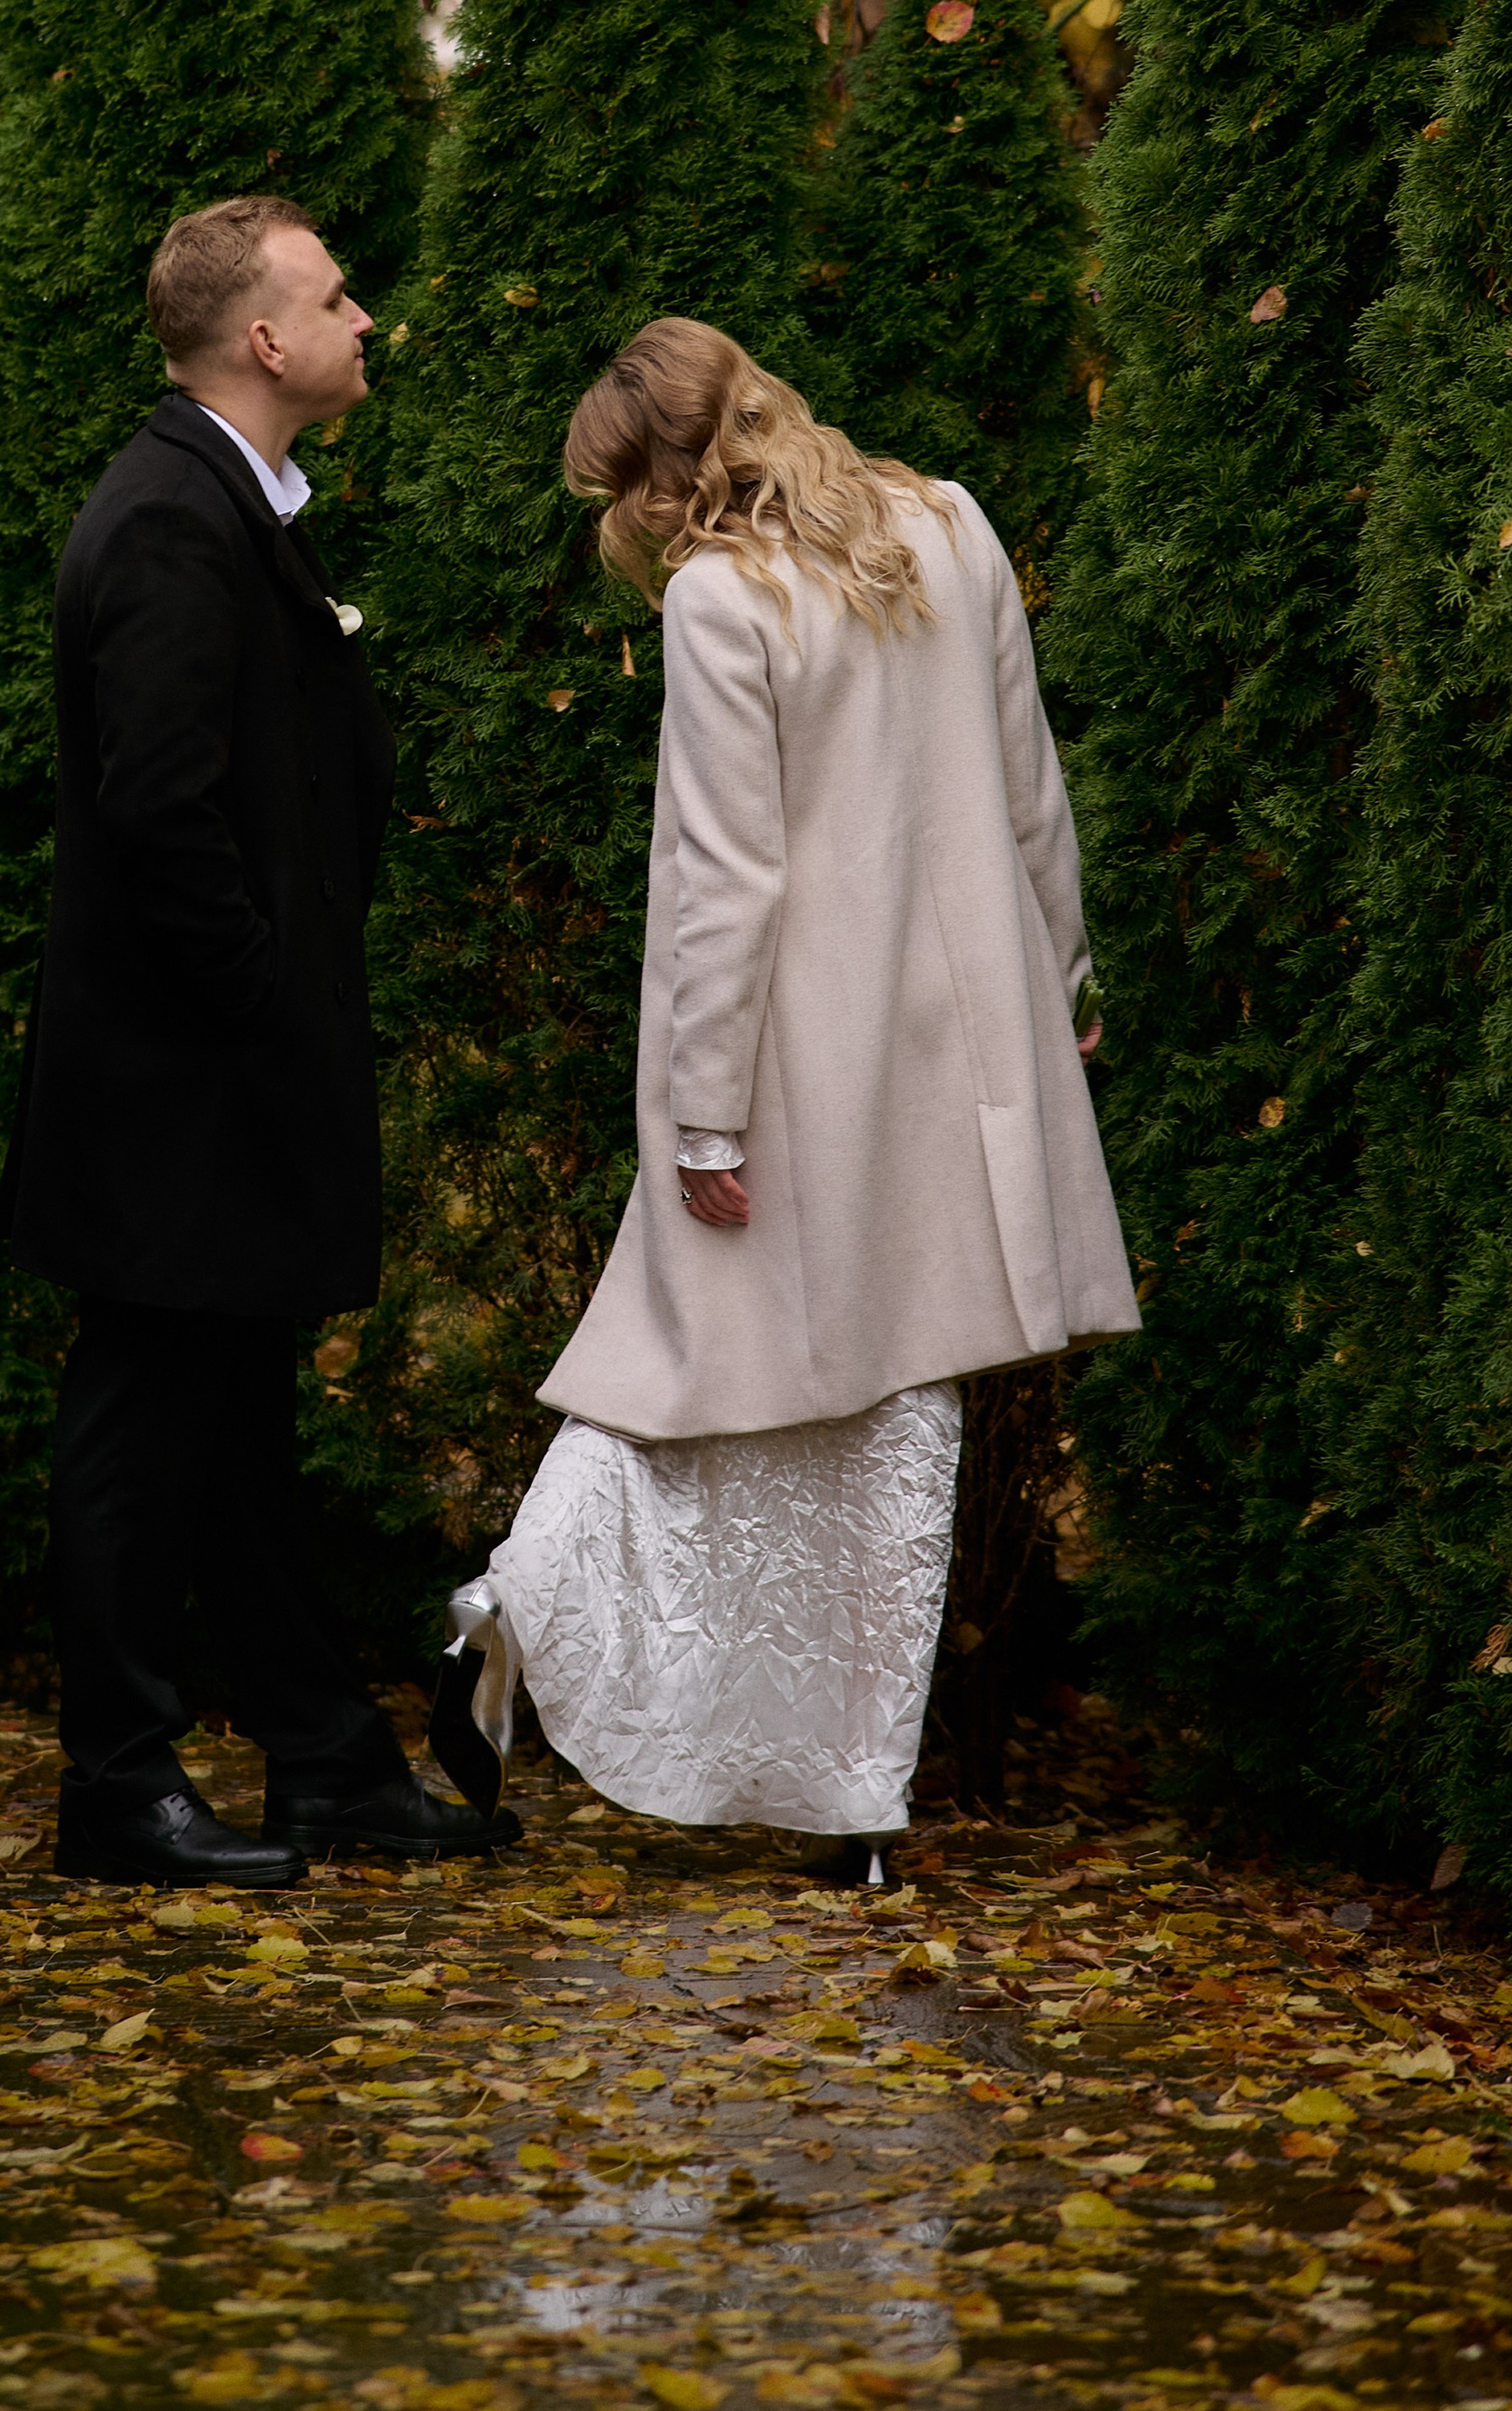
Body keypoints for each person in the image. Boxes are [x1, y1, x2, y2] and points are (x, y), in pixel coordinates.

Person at [432, 318, 1136, 1876]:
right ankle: (850, 1797)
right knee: (886, 1409)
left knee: (702, 1373)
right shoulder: (949, 521)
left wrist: (700, 1115)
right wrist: (1062, 984)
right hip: (958, 1060)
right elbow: (1035, 794)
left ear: (656, 482)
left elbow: (722, 879)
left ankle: (526, 1618)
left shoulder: (716, 595)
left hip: (794, 1070)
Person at [11, 193, 522, 1887]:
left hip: (212, 1073)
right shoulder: (173, 517)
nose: (367, 317)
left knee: (232, 1422)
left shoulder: (233, 503)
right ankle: (117, 1783)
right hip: (181, 1081)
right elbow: (159, 811)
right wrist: (257, 1003)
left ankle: (325, 1761)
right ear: (264, 338)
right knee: (144, 1420)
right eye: (337, 293)